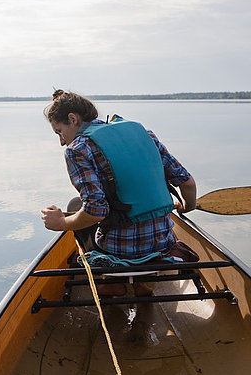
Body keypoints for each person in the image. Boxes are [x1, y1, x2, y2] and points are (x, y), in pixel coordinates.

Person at [41, 89, 197, 296]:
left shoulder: (77, 149)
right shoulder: (145, 134)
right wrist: (188, 206)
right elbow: (187, 183)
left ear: (72, 119)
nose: (62, 141)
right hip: (163, 243)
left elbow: (96, 212)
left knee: (75, 207)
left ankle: (110, 282)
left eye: (59, 132)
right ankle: (143, 282)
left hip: (119, 250)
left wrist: (60, 223)